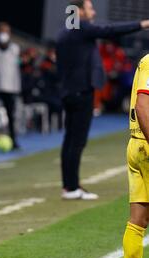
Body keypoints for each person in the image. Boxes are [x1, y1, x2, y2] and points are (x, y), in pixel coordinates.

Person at [56, 0, 149, 200]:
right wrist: (143, 23)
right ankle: (72, 187)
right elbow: (110, 29)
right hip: (81, 92)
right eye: (89, 8)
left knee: (69, 140)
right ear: (78, 11)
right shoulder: (80, 28)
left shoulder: (65, 32)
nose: (93, 11)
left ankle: (70, 185)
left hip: (69, 92)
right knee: (77, 141)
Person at [123, 53, 149, 258]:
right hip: (147, 146)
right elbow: (143, 105)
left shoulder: (145, 60)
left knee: (138, 219)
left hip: (136, 146)